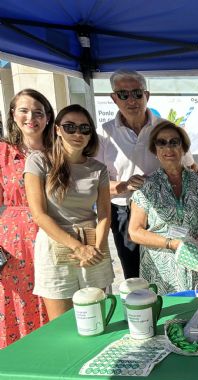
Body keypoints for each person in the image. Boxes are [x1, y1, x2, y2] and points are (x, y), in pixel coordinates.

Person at [96, 69, 195, 279]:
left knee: (170, 272)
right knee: (134, 276)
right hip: (124, 212)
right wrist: (124, 186)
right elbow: (96, 184)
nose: (131, 100)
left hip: (165, 212)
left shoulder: (166, 129)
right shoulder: (103, 134)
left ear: (147, 95)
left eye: (137, 93)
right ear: (114, 98)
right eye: (123, 94)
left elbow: (190, 167)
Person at [25, 105, 113, 320]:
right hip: (56, 246)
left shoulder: (98, 168)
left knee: (97, 319)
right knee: (62, 323)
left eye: (84, 128)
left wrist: (96, 250)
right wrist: (78, 247)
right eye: (70, 127)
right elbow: (39, 214)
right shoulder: (39, 161)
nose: (77, 134)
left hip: (93, 246)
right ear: (57, 129)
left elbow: (104, 214)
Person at [129, 121, 198, 295]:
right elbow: (135, 231)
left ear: (183, 148)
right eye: (161, 143)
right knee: (168, 319)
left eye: (174, 142)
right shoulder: (147, 185)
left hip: (196, 264)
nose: (168, 148)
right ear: (155, 150)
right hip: (161, 271)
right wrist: (170, 244)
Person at [0, 90, 52, 347]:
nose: (31, 117)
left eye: (38, 112)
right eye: (24, 110)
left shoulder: (59, 150)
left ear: (47, 117)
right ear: (13, 114)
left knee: (54, 298)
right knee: (20, 301)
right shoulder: (3, 152)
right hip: (15, 244)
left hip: (54, 235)